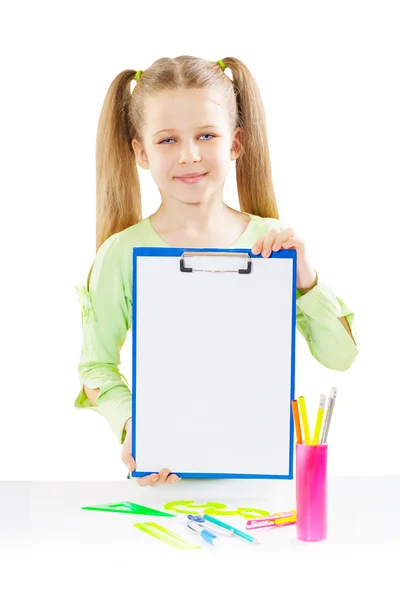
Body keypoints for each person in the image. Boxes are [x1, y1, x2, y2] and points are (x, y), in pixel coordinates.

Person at [74, 55, 359, 487]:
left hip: (263, 481)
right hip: (166, 476)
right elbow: (95, 368)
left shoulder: (273, 244)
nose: (189, 155)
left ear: (235, 142)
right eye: (167, 140)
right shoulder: (121, 253)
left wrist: (306, 280)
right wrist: (135, 428)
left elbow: (342, 357)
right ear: (141, 152)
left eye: (206, 134)